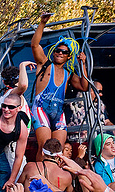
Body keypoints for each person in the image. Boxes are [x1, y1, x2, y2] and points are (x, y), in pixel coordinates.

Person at [31, 13, 88, 161]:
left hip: (58, 111)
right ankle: (39, 178)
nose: (60, 53)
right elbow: (35, 45)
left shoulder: (68, 73)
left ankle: (53, 178)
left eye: (64, 52)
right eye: (58, 50)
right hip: (40, 107)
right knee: (44, 147)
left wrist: (82, 64)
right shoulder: (45, 64)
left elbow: (84, 86)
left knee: (58, 150)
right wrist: (42, 23)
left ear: (69, 56)